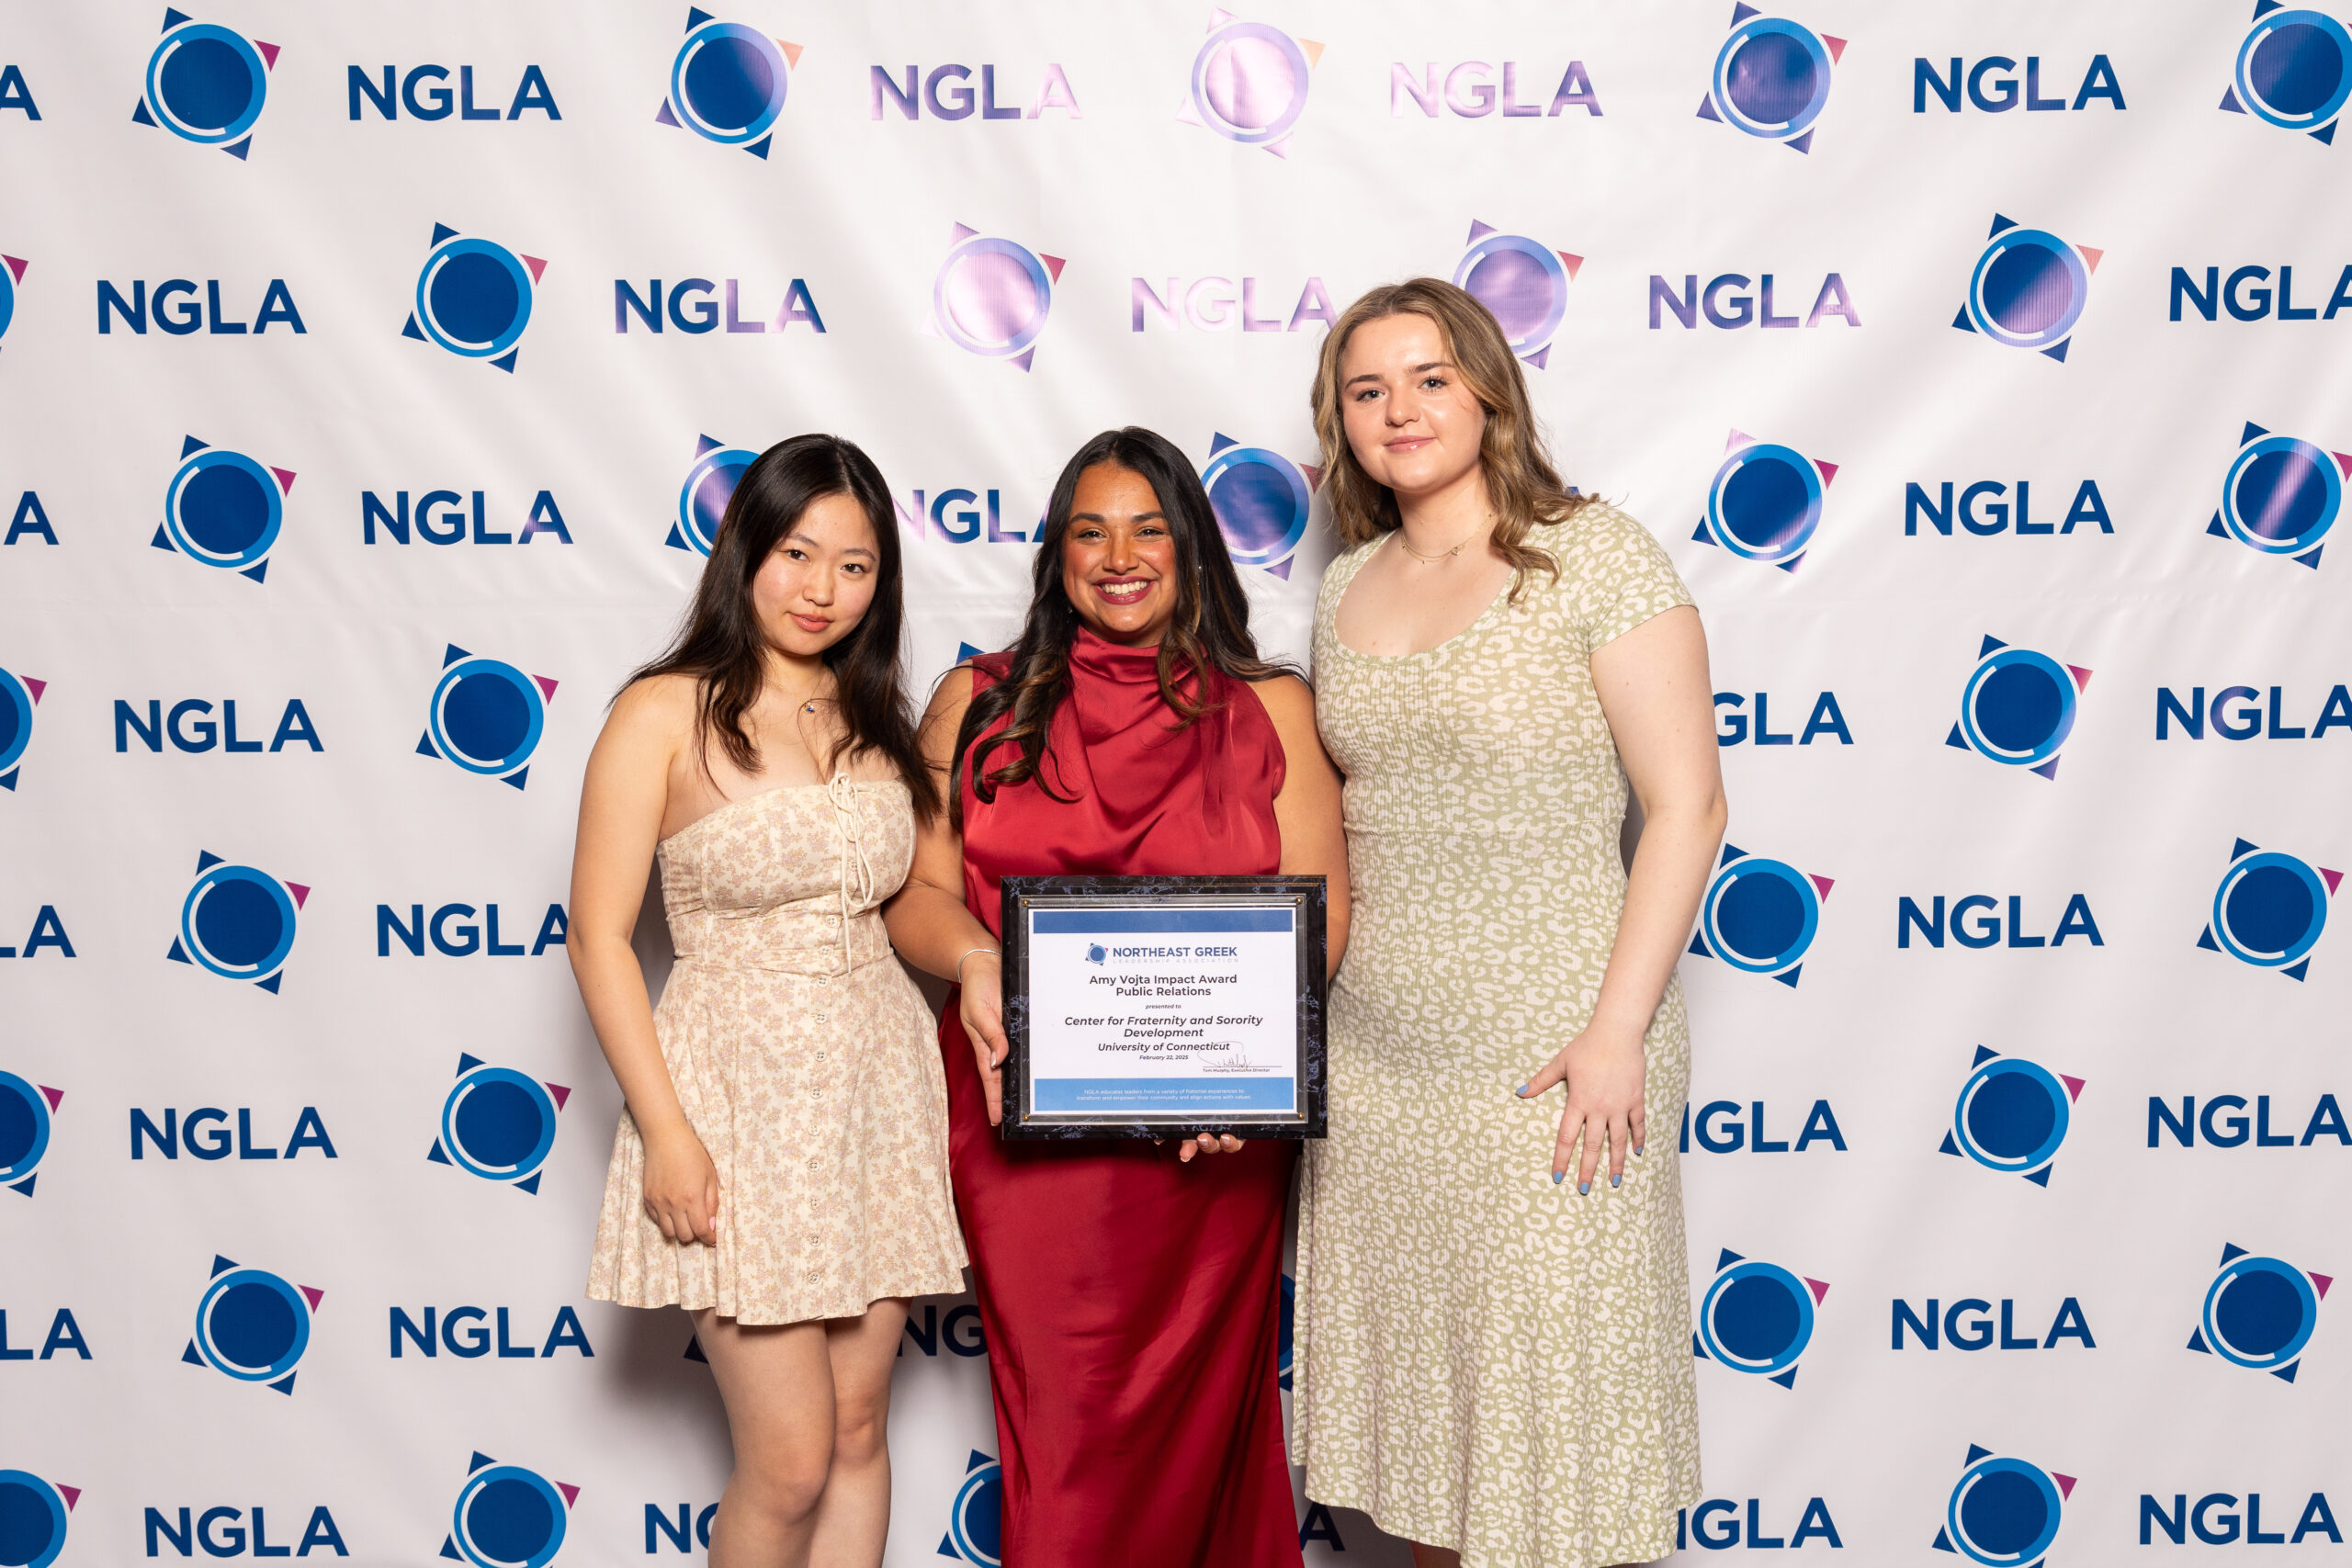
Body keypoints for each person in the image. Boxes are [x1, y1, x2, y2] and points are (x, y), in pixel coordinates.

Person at [1292, 280, 1727, 1568]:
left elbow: (1689, 805)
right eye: (1367, 390)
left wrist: (1616, 1031)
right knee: (1439, 1446)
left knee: (1558, 1446)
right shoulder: (1350, 581)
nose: (1400, 409)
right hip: (1381, 1072)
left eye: (1430, 378)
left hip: (1558, 1055)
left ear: (1488, 390)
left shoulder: (1594, 553)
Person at [883, 426, 1349, 1568]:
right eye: (1089, 532)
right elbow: (920, 895)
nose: (1120, 556)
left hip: (1216, 1143)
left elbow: (1323, 918)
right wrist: (976, 959)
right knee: (1071, 1430)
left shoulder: (1270, 706)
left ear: (1191, 546)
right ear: (1057, 557)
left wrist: (1245, 1076)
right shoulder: (976, 700)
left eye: (1148, 529)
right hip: (1025, 1120)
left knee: (1200, 1427)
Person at [571, 434, 965, 1568]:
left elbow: (912, 904)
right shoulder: (663, 712)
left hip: (877, 1095)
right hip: (738, 1101)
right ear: (746, 550)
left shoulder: (875, 719)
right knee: (788, 1462)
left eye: (855, 565)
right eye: (797, 552)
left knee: (856, 1434)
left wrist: (984, 961)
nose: (821, 588)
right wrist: (667, 1133)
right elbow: (598, 938)